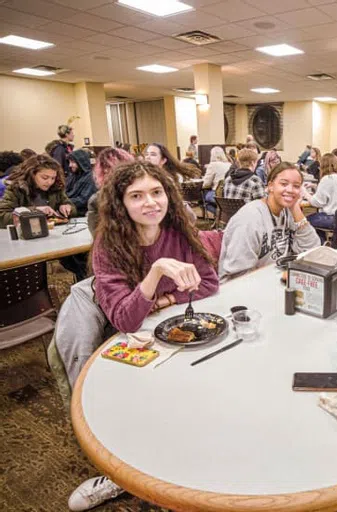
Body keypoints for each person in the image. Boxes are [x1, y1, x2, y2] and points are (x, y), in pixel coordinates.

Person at [68, 161, 219, 511]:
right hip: (126, 341)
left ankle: (191, 461)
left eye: (156, 192)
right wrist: (155, 273)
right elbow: (124, 319)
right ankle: (119, 475)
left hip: (175, 330)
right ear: (121, 203)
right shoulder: (109, 244)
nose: (150, 202)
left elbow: (209, 283)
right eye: (136, 196)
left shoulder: (178, 229)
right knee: (136, 412)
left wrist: (164, 299)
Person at [218, 162, 321, 278]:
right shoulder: (250, 218)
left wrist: (295, 208)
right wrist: (281, 276)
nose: (290, 189)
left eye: (296, 186)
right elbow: (238, 273)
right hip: (242, 286)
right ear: (270, 186)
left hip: (276, 278)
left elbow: (312, 250)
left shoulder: (288, 211)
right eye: (284, 184)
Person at [0, 154, 75, 228]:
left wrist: (67, 208)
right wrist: (34, 211)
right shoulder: (16, 189)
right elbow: (2, 217)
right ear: (32, 175)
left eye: (53, 178)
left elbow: (71, 207)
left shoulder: (55, 187)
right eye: (45, 178)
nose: (49, 182)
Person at [302, 153, 337, 242]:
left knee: (305, 221)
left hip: (332, 217)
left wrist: (304, 192)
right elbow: (334, 192)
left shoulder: (327, 178)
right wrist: (314, 186)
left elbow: (317, 202)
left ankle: (319, 245)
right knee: (316, 219)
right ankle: (323, 243)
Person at [87, 148, 135, 236]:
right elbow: (100, 238)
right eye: (105, 167)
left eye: (110, 166)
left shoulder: (142, 193)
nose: (107, 171)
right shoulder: (97, 201)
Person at [65, 149, 97, 216]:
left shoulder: (90, 177)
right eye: (69, 162)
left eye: (73, 162)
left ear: (81, 162)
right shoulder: (73, 176)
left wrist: (63, 202)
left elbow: (83, 200)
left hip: (81, 213)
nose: (70, 165)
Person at [203, 146, 231, 212]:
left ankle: (221, 215)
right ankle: (223, 214)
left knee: (203, 200)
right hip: (228, 193)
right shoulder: (229, 164)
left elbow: (206, 184)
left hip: (217, 194)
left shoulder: (213, 165)